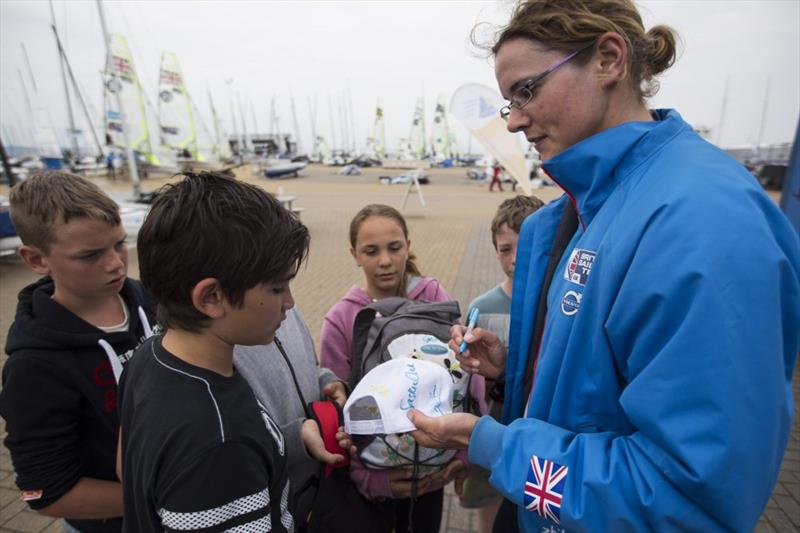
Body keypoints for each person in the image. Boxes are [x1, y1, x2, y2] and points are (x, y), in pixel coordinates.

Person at [408, 1, 800, 532]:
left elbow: (688, 498)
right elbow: (598, 381)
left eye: (526, 90)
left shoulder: (704, 221)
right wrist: (516, 370)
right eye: (508, 103)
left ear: (608, 59)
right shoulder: (572, 213)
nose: (517, 119)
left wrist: (491, 444)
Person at [119, 171, 306, 531]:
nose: (289, 303)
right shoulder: (221, 442)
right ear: (212, 298)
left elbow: (126, 466)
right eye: (278, 288)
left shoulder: (148, 356)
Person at [0, 171, 156, 533]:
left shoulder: (151, 300)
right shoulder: (34, 366)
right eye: (90, 255)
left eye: (120, 244)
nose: (116, 263)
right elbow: (46, 492)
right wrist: (162, 493)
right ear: (36, 260)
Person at [320, 203, 482, 533]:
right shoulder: (341, 319)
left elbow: (465, 377)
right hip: (375, 478)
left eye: (395, 248)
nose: (385, 261)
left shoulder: (434, 296)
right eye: (371, 251)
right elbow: (338, 408)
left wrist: (464, 456)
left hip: (433, 468)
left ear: (408, 244)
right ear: (354, 254)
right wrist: (369, 479)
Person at [458, 195, 543, 533]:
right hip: (494, 424)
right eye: (505, 249)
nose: (516, 259)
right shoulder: (484, 306)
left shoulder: (559, 304)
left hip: (541, 432)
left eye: (526, 246)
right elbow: (469, 380)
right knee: (489, 514)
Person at [234, 306, 350, 531]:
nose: (289, 300)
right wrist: (295, 440)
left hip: (320, 498)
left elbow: (309, 367)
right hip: (278, 511)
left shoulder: (290, 309)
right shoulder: (228, 338)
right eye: (277, 287)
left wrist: (327, 381)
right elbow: (238, 449)